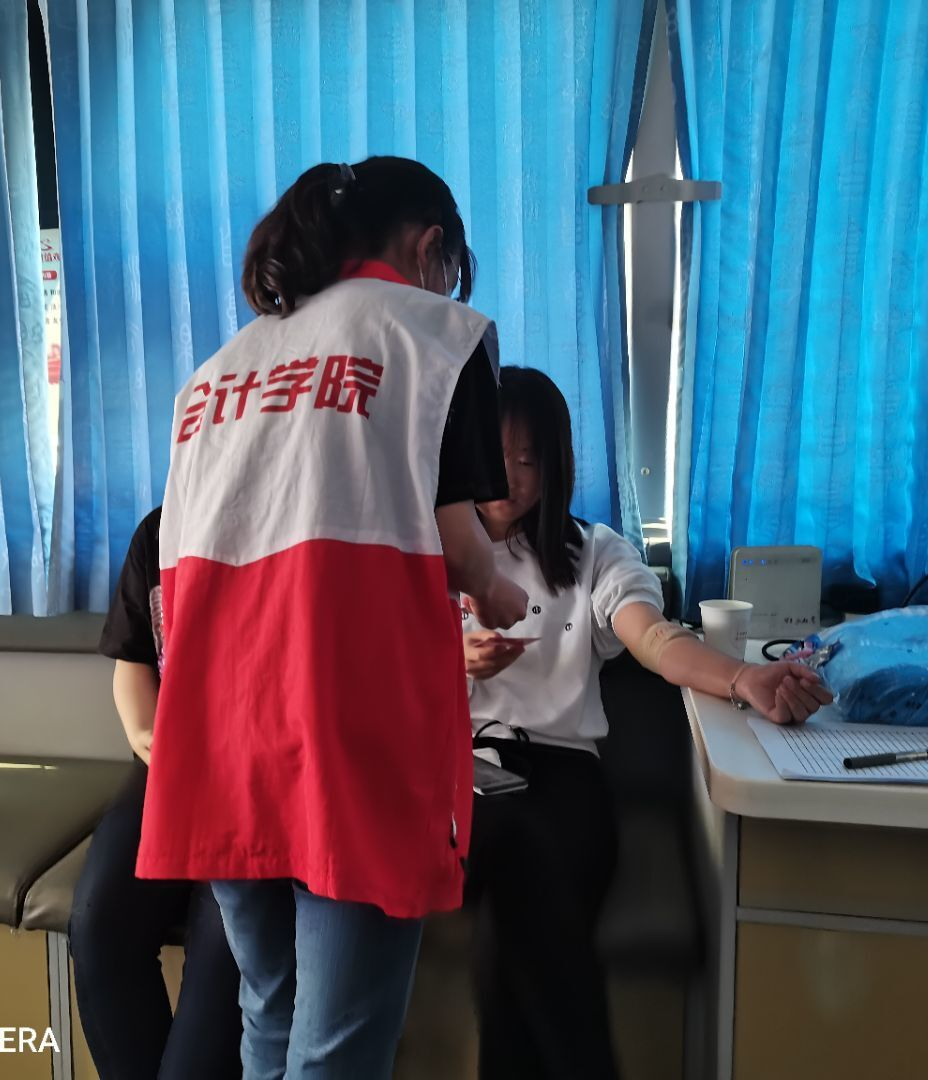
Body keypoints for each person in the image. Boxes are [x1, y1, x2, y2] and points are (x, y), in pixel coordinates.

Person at [136, 156, 529, 1080]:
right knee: (339, 1045)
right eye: (451, 268)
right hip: (350, 730)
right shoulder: (431, 337)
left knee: (268, 1012)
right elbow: (461, 547)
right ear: (430, 248)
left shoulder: (216, 375)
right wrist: (501, 594)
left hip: (221, 731)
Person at [461, 367, 831, 1080]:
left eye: (528, 459)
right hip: (462, 771)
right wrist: (450, 666)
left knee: (517, 907)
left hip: (562, 776)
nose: (508, 477)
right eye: (494, 456)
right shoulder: (431, 554)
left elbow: (655, 640)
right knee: (517, 895)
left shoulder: (594, 553)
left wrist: (743, 679)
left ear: (556, 464)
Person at [72, 508, 242, 1080]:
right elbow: (133, 663)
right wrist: (149, 737)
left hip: (258, 780)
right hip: (168, 767)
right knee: (99, 928)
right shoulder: (159, 531)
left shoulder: (291, 522)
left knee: (223, 950)